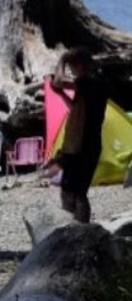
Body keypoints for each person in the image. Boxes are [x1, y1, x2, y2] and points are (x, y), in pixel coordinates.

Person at [50, 47, 108, 223]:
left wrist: (62, 59)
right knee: (76, 191)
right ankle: (77, 226)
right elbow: (77, 107)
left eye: (71, 67)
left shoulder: (88, 82)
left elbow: (58, 81)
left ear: (80, 66)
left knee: (74, 192)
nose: (71, 72)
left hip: (82, 145)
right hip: (87, 144)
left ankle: (78, 227)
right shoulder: (94, 84)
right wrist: (61, 95)